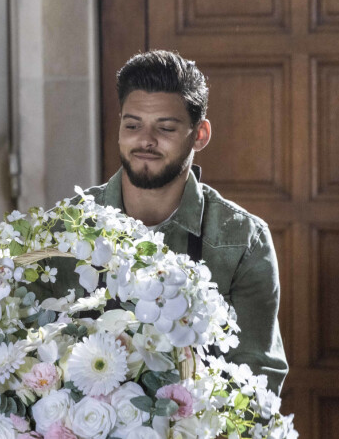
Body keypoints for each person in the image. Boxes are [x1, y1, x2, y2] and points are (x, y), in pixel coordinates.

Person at [40, 50, 288, 394]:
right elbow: (29, 360)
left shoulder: (243, 240)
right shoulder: (65, 227)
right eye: (133, 125)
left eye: (166, 128)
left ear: (199, 134)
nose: (146, 140)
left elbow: (258, 381)